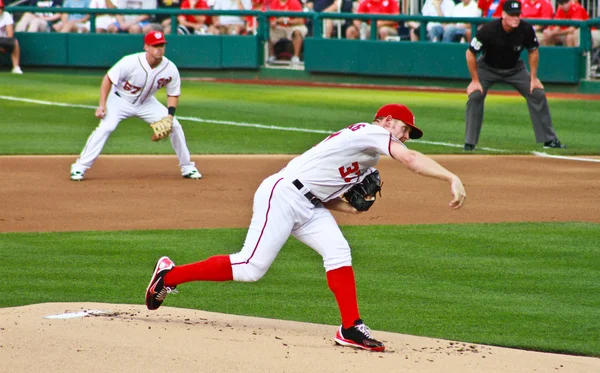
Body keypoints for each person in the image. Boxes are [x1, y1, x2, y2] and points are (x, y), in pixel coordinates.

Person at [144, 103, 467, 352]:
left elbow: (322, 194)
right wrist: (451, 177)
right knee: (250, 267)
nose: (407, 136)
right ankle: (168, 275)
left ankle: (350, 327)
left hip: (309, 204)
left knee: (339, 250)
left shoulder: (370, 155)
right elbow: (410, 161)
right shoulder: (371, 132)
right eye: (405, 128)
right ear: (384, 121)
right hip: (283, 194)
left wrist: (350, 208)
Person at [70, 31, 202, 181]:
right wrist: (102, 105)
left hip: (146, 103)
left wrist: (170, 116)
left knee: (176, 127)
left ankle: (188, 167)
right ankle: (79, 167)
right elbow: (108, 79)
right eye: (156, 45)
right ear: (146, 47)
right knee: (106, 127)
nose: (160, 48)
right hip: (119, 100)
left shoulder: (170, 68)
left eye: (162, 45)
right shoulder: (130, 62)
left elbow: (173, 93)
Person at [463, 0, 566, 151]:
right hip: (487, 67)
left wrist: (533, 78)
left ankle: (549, 140)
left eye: (517, 14)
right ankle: (469, 143)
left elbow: (533, 50)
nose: (515, 18)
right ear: (503, 15)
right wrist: (474, 80)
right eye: (512, 15)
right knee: (475, 96)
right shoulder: (488, 30)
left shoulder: (525, 29)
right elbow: (470, 53)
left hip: (514, 69)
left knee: (536, 93)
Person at [267, 0, 307, 64]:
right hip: (280, 27)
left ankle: (296, 57)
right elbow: (272, 20)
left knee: (297, 32)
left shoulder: (294, 2)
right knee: (268, 31)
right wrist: (273, 23)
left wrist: (285, 21)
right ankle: (271, 56)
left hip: (293, 26)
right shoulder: (275, 2)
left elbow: (301, 20)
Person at [0, 0, 23, 74]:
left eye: (0, 8)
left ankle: (16, 67)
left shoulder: (6, 15)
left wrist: (5, 45)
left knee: (14, 42)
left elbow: (10, 35)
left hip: (3, 40)